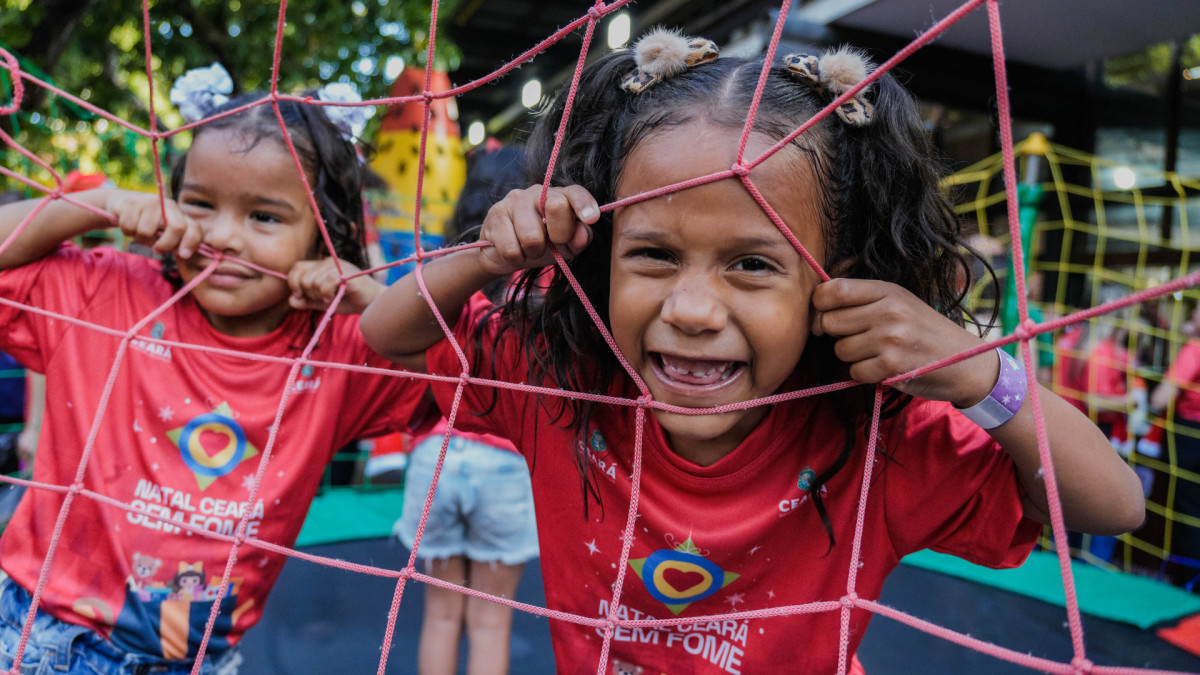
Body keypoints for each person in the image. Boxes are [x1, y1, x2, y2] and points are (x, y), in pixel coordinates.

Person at [360, 32, 1145, 673]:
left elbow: (1113, 504)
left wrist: (982, 373)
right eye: (655, 255)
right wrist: (486, 256)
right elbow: (387, 332)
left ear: (833, 285)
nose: (693, 310)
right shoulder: (566, 385)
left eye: (753, 264)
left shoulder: (873, 442)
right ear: (602, 261)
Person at [0, 65, 428, 674]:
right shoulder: (110, 292)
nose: (221, 237)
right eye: (200, 204)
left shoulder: (342, 346)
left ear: (323, 234)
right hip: (42, 639)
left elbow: (457, 363)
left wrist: (369, 296)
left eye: (265, 217)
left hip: (199, 657)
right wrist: (99, 204)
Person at [392, 145, 539, 675]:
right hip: (505, 463)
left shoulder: (447, 279)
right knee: (490, 621)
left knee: (440, 616)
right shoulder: (542, 287)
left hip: (439, 454)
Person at [1150, 302, 1200, 587]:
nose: (1193, 313)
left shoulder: (1195, 348)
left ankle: (1187, 584)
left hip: (1190, 437)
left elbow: (1160, 398)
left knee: (1187, 513)